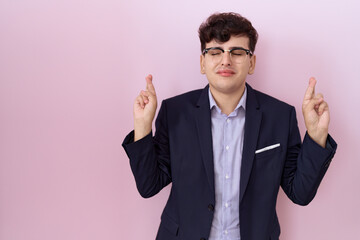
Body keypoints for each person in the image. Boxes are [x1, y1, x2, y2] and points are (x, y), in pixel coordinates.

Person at [122, 12, 337, 240]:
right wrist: (143, 127)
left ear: (251, 62)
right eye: (215, 52)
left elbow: (300, 193)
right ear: (203, 62)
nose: (226, 60)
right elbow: (149, 185)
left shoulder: (280, 116)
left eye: (237, 52)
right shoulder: (175, 112)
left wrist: (315, 136)